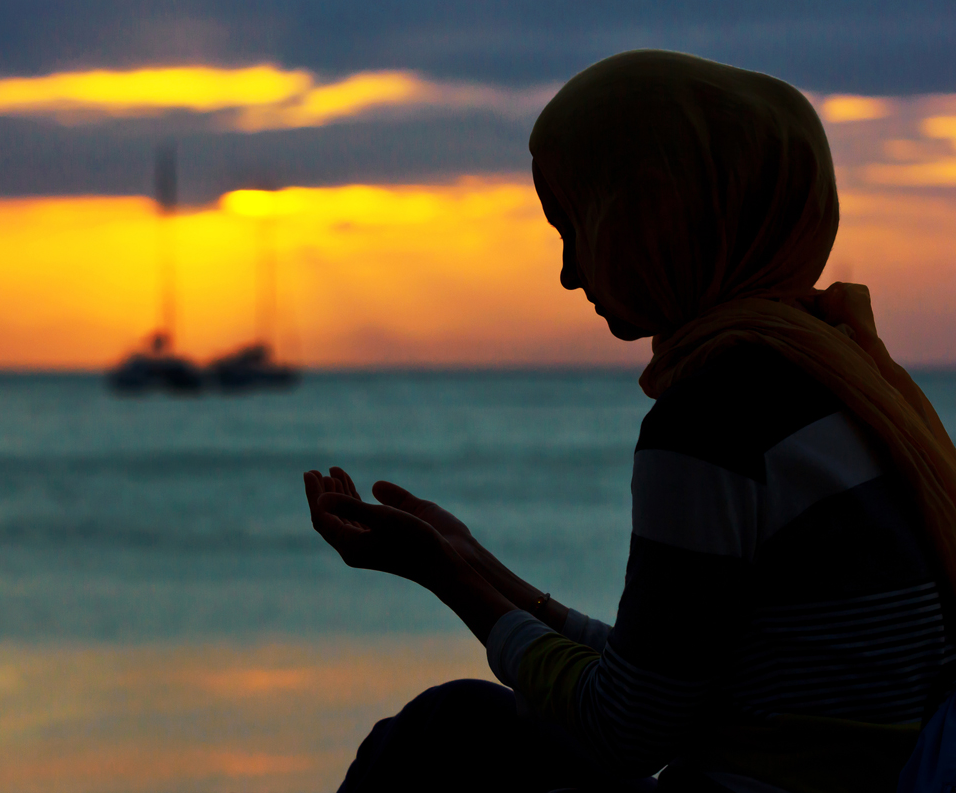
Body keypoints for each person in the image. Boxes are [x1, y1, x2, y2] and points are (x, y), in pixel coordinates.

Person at [302, 50, 956, 793]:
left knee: (441, 734)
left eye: (577, 227)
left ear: (656, 211)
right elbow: (668, 677)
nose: (570, 272)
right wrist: (475, 562)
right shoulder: (843, 379)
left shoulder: (715, 415)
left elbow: (625, 731)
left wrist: (447, 577)